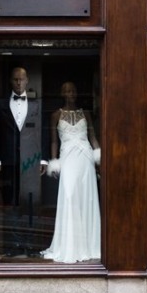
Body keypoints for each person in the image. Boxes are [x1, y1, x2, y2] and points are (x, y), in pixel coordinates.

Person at [0, 67, 46, 256]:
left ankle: (30, 246)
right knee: (10, 204)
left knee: (29, 204)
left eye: (21, 80)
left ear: (27, 80)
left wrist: (43, 159)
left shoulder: (37, 105)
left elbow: (42, 132)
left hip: (31, 161)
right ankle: (13, 246)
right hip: (8, 161)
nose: (19, 83)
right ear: (10, 81)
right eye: (15, 80)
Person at [41, 81, 101, 263]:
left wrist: (99, 158)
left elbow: (93, 137)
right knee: (69, 197)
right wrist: (55, 162)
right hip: (67, 157)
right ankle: (69, 245)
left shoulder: (86, 113)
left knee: (86, 199)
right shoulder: (55, 115)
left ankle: (90, 245)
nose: (71, 93)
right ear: (62, 93)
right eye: (67, 90)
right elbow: (53, 141)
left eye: (73, 90)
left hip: (85, 157)